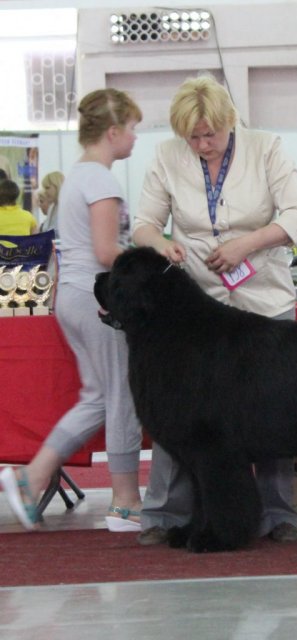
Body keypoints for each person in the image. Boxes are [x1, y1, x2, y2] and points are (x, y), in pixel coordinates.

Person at [131, 74, 297, 546]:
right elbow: (145, 224)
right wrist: (163, 244)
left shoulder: (266, 147)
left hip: (263, 296)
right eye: (192, 136)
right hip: (197, 307)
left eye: (210, 133)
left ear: (229, 122)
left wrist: (246, 245)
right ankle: (166, 515)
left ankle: (279, 514)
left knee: (273, 410)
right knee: (180, 411)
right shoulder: (169, 156)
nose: (202, 143)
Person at [0, 88, 144, 533]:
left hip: (73, 298)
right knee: (121, 397)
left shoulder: (77, 176)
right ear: (114, 132)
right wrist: (149, 266)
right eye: (134, 129)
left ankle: (30, 477)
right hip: (96, 298)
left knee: (98, 397)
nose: (137, 138)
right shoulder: (101, 181)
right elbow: (106, 251)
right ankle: (125, 502)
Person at [39, 171, 65, 235]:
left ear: (57, 186)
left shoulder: (66, 207)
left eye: (47, 188)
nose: (45, 191)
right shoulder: (52, 207)